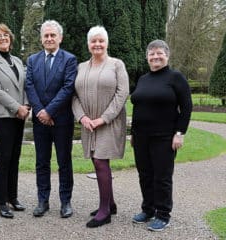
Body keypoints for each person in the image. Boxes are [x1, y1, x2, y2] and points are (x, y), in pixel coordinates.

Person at [130, 39, 192, 231]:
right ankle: (148, 209)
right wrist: (133, 133)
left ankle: (163, 214)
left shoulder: (176, 78)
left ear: (167, 55)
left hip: (164, 137)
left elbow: (187, 107)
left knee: (162, 177)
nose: (155, 57)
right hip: (141, 137)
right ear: (147, 57)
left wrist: (179, 133)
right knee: (145, 175)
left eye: (159, 53)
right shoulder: (143, 79)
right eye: (152, 54)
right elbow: (139, 106)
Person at [72, 26, 129, 228]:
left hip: (109, 122)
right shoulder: (80, 67)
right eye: (93, 41)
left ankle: (104, 211)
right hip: (89, 124)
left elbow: (122, 94)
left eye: (101, 41)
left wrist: (103, 119)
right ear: (88, 44)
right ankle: (110, 203)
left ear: (107, 43)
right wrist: (82, 117)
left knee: (100, 161)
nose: (97, 44)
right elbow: (74, 96)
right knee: (98, 161)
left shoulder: (117, 65)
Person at [25, 20, 77, 218]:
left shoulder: (70, 60)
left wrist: (50, 112)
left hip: (62, 120)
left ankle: (65, 202)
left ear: (60, 38)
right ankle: (42, 200)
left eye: (52, 35)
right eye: (45, 36)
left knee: (64, 162)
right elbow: (30, 86)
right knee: (42, 162)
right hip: (40, 121)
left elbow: (68, 88)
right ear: (41, 39)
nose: (49, 39)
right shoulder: (32, 60)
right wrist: (41, 112)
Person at [0, 24, 30, 219]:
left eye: (5, 35)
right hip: (4, 115)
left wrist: (26, 106)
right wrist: (17, 107)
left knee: (15, 157)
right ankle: (1, 201)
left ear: (10, 38)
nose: (3, 38)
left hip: (20, 115)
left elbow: (25, 85)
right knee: (4, 158)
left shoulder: (18, 60)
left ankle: (13, 196)